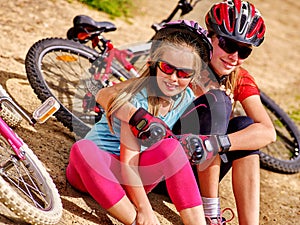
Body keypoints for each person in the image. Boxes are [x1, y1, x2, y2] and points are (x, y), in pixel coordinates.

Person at [96, 1, 276, 224]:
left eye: (245, 51)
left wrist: (215, 144)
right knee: (218, 102)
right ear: (210, 37)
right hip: (164, 164)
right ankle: (211, 213)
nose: (234, 57)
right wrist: (138, 118)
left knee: (245, 126)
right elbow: (105, 94)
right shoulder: (183, 63)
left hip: (197, 164)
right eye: (228, 45)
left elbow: (268, 131)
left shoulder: (239, 76)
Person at [66, 20, 216, 225]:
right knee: (82, 149)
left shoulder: (186, 97)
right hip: (94, 172)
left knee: (171, 147)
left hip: (132, 183)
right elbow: (129, 163)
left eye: (183, 73)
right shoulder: (136, 101)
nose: (173, 78)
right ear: (155, 66)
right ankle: (139, 222)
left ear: (193, 77)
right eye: (167, 68)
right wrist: (145, 210)